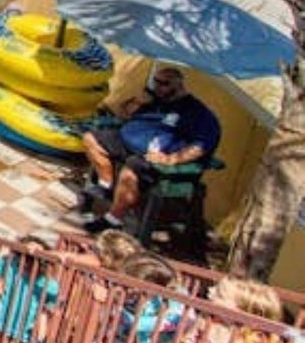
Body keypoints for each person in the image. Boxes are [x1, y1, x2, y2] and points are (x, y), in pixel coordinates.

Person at [81, 66, 221, 232]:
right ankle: (106, 185)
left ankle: (113, 219)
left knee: (131, 168)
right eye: (156, 81)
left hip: (153, 157)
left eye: (165, 83)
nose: (158, 86)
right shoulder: (154, 102)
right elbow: (124, 114)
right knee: (90, 138)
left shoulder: (197, 113)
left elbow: (201, 145)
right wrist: (137, 102)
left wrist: (172, 159)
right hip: (127, 141)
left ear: (179, 85)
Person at [0, 235, 60, 343]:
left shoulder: (50, 285)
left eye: (37, 259)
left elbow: (48, 312)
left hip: (23, 338)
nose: (29, 262)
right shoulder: (7, 264)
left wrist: (40, 336)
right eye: (25, 256)